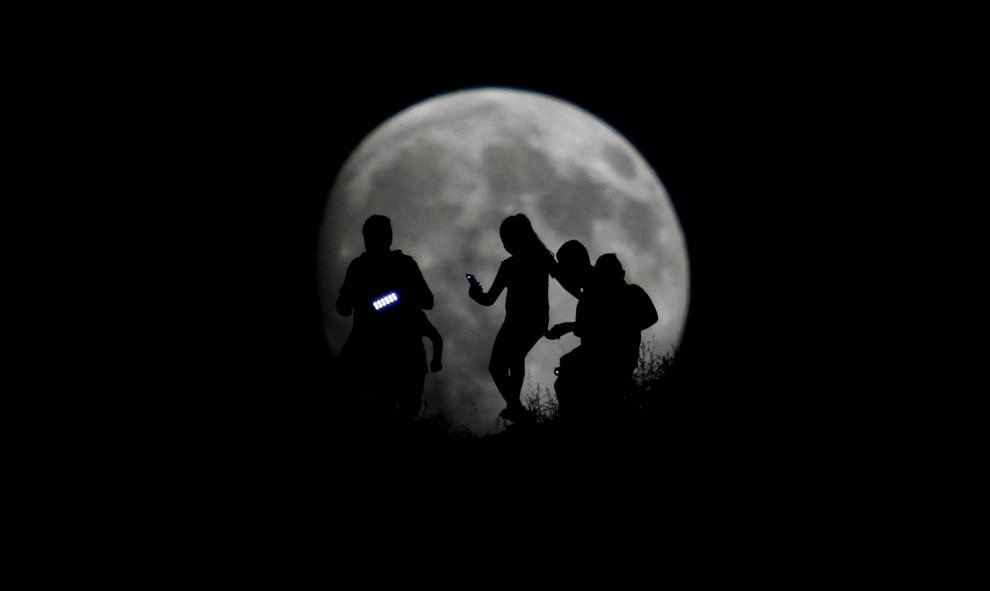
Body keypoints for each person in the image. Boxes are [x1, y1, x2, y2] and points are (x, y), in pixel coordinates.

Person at [335, 215, 435, 423]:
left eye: (377, 236)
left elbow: (428, 300)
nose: (373, 241)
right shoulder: (359, 266)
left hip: (403, 351)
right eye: (370, 236)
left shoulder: (404, 265)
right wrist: (348, 304)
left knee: (403, 412)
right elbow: (342, 303)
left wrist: (401, 296)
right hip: (369, 350)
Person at [548, 253, 658, 423]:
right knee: (566, 373)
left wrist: (621, 327)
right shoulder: (595, 298)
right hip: (599, 356)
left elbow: (651, 317)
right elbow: (587, 330)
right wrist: (570, 327)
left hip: (618, 357)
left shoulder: (632, 292)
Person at [468, 214, 555, 424]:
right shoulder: (542, 258)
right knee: (516, 359)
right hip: (536, 320)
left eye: (506, 240)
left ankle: (516, 408)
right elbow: (562, 278)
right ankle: (515, 407)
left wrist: (474, 294)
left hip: (518, 321)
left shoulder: (511, 265)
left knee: (498, 366)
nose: (505, 245)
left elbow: (488, 299)